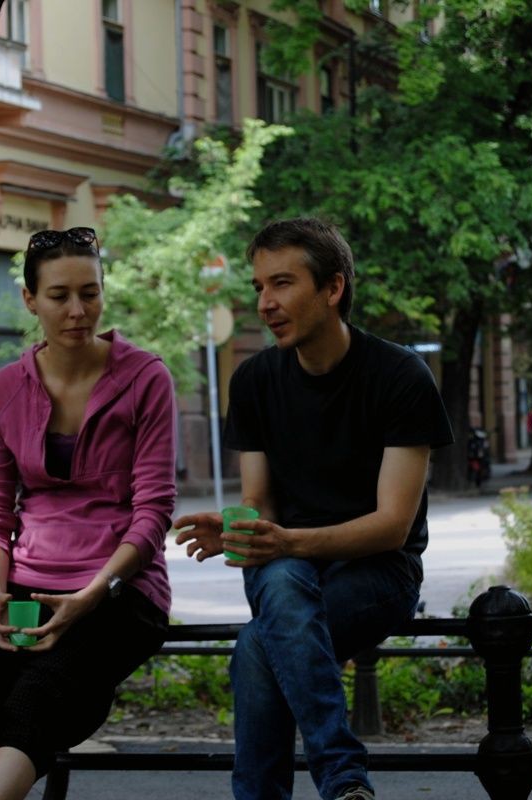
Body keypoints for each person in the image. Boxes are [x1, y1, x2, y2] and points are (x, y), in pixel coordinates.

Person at [174, 218, 453, 800]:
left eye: (282, 283)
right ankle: (345, 783)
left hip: (380, 571)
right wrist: (240, 529)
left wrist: (288, 542)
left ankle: (332, 776)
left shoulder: (400, 376)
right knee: (281, 585)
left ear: (333, 288)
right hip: (284, 566)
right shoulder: (253, 381)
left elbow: (392, 526)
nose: (265, 303)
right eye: (259, 287)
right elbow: (258, 502)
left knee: (257, 648)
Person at [0, 227, 176, 800]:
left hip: (120, 590)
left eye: (90, 293)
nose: (77, 310)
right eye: (60, 295)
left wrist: (92, 593)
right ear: (30, 300)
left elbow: (154, 510)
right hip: (23, 585)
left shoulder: (145, 379)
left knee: (33, 703)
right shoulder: (2, 392)